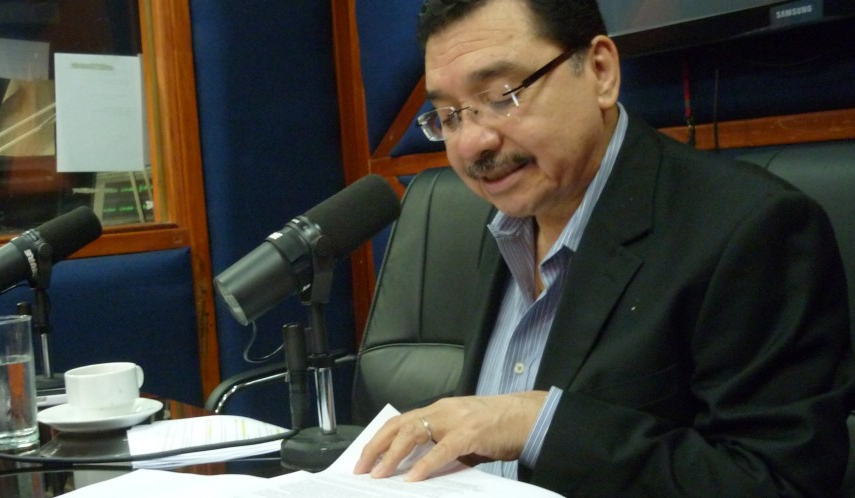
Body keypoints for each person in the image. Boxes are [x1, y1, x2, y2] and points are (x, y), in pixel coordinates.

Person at [352, 0, 855, 496]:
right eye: (448, 116)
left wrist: (537, 424)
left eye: (503, 95)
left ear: (600, 72)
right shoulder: (503, 220)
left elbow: (776, 481)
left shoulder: (752, 229)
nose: (470, 144)